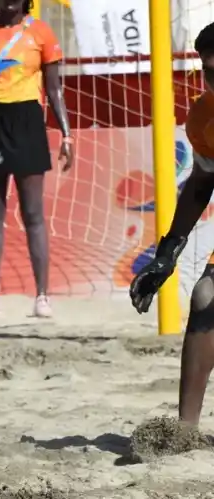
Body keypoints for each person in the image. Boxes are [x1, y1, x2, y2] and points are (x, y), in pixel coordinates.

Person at [0, 0, 74, 318]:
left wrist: (66, 135)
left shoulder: (41, 32)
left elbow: (55, 89)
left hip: (26, 122)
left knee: (33, 213)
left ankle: (42, 296)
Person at [129, 22, 214, 429]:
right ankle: (184, 431)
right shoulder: (203, 117)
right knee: (205, 297)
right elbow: (201, 184)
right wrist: (167, 253)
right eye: (209, 71)